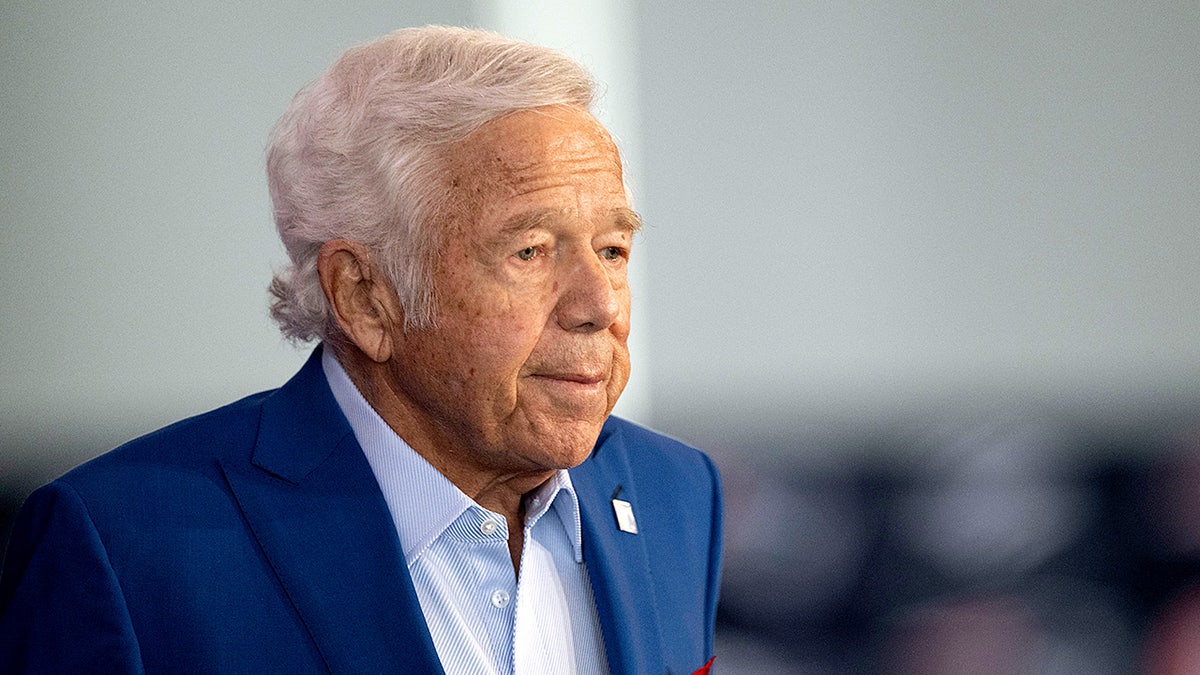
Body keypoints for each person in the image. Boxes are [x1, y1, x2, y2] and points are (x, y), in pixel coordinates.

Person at [0, 26, 722, 674]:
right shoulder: (125, 548)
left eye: (613, 248)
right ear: (366, 296)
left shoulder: (675, 494)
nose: (599, 305)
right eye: (530, 251)